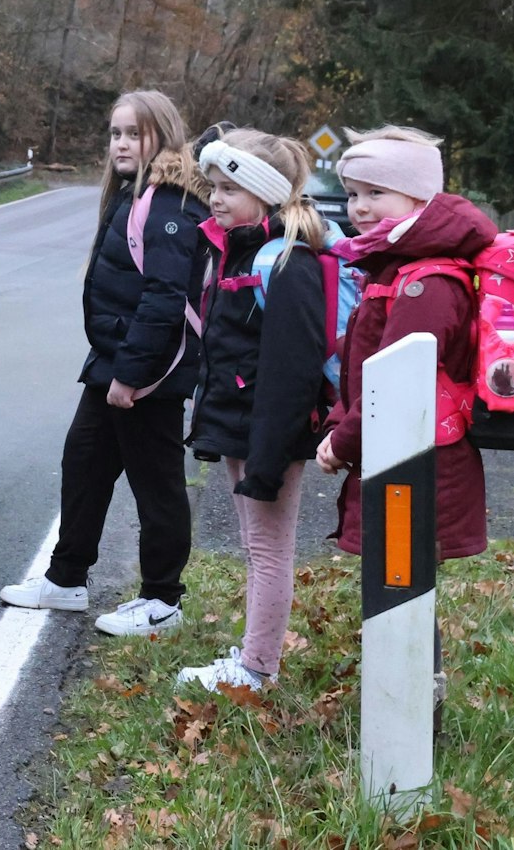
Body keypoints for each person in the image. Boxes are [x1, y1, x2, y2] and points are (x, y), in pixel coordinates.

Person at [1, 90, 208, 636]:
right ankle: (66, 580)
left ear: (160, 137)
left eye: (134, 133)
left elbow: (164, 300)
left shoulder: (168, 205)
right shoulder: (134, 195)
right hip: (113, 359)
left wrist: (131, 375)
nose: (121, 143)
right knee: (85, 463)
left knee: (157, 484)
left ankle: (163, 600)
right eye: (116, 133)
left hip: (148, 373)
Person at [314, 126, 497, 710]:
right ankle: (406, 703)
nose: (360, 208)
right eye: (353, 194)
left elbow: (392, 383)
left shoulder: (427, 281)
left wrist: (341, 443)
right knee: (401, 587)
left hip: (420, 466)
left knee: (403, 586)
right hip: (401, 456)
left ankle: (412, 713)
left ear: (419, 202)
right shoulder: (399, 268)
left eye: (377, 194)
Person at [173, 130, 333, 694]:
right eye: (212, 187)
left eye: (228, 188)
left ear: (264, 195)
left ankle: (257, 669)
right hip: (245, 425)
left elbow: (292, 372)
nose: (214, 198)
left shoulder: (287, 262)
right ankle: (254, 654)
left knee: (267, 549)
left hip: (270, 433)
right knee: (255, 544)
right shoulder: (238, 249)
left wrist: (266, 458)